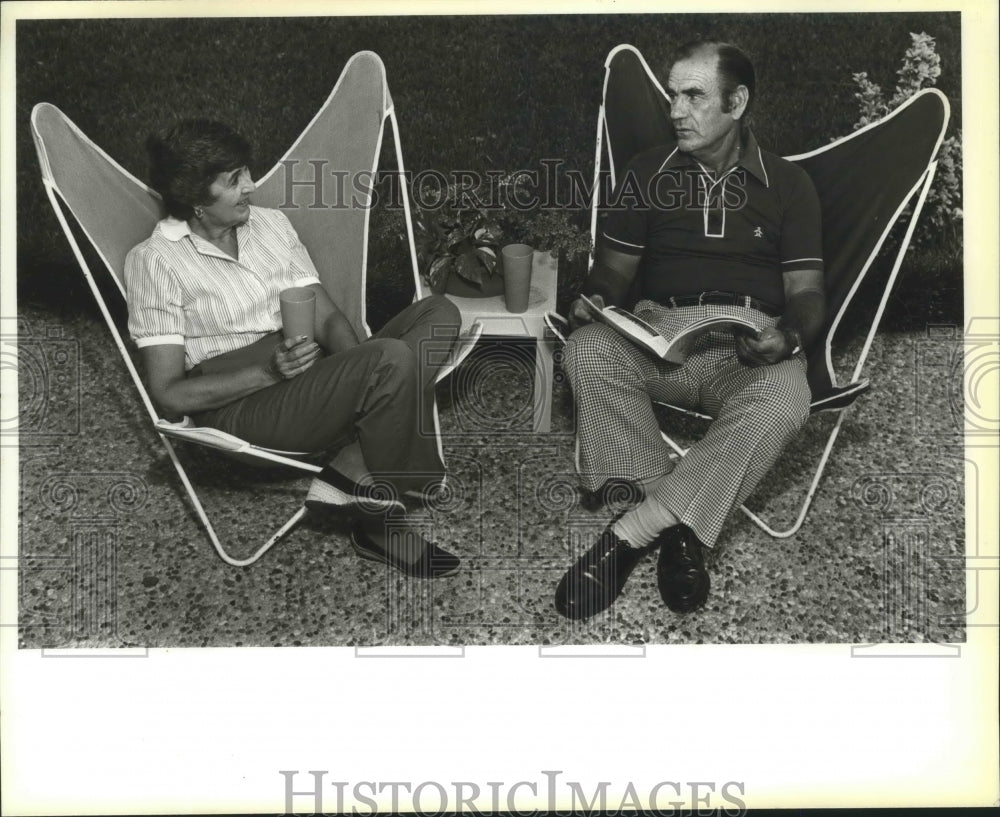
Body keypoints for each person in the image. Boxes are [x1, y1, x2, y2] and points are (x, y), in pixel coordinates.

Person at [555, 40, 826, 619]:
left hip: (747, 342)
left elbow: (806, 294)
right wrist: (596, 300)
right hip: (663, 334)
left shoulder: (789, 186)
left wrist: (789, 335)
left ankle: (638, 530)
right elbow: (613, 276)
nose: (676, 110)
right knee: (587, 350)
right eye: (672, 95)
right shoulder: (645, 173)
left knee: (788, 393)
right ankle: (683, 521)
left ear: (737, 102)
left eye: (694, 96)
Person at [125, 119, 464, 578]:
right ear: (195, 200)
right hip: (243, 400)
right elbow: (168, 393)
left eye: (247, 172)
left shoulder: (270, 226)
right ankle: (378, 527)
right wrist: (269, 371)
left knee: (438, 313)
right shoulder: (155, 262)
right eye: (233, 181)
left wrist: (357, 374)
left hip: (306, 368)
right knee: (392, 359)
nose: (251, 186)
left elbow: (324, 317)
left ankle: (352, 465)